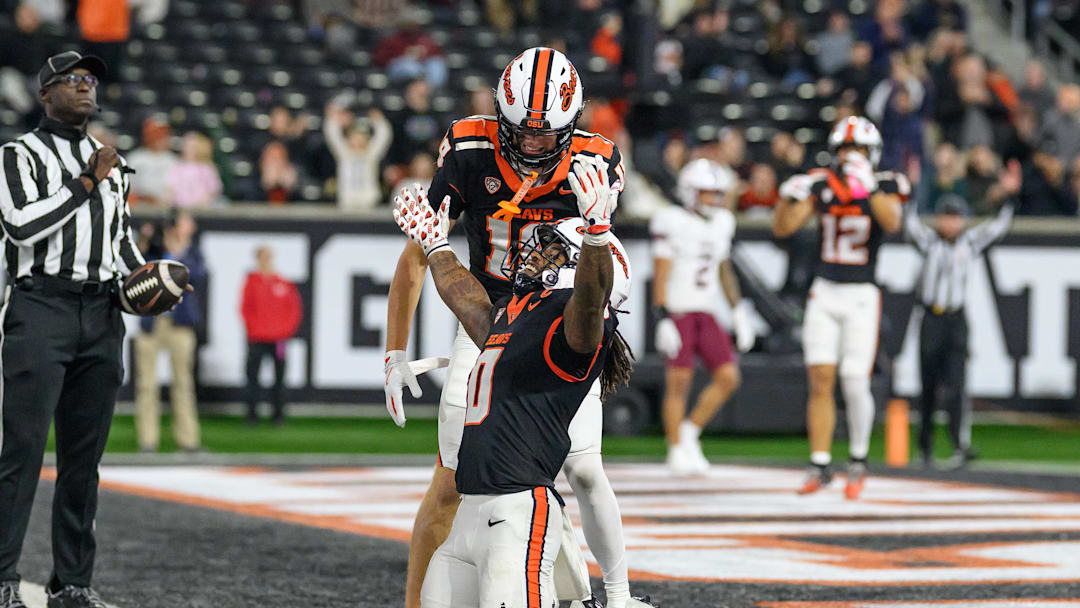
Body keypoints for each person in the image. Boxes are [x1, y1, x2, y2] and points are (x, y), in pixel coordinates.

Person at [384, 48, 647, 608]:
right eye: (520, 134)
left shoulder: (594, 159)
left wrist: (595, 232)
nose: (531, 146)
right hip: (487, 313)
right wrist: (393, 350)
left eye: (544, 136)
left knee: (581, 466)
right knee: (455, 477)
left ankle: (617, 596)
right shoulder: (469, 147)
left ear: (571, 125)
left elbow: (597, 275)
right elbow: (420, 254)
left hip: (557, 318)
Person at [0, 51, 146, 608]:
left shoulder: (112, 161)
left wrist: (148, 277)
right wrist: (88, 180)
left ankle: (73, 583)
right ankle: (4, 577)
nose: (85, 87)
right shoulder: (18, 155)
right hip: (42, 309)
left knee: (84, 462)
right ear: (45, 94)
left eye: (90, 80)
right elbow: (20, 226)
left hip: (102, 313)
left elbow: (120, 241)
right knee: (23, 451)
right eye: (72, 80)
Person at [773, 116, 905, 500]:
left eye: (859, 150)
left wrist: (868, 189)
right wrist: (786, 197)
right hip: (826, 289)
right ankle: (819, 463)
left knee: (853, 379)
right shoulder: (822, 184)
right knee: (820, 379)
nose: (851, 156)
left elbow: (893, 222)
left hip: (862, 292)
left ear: (872, 153)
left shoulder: (886, 183)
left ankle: (859, 461)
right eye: (846, 149)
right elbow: (784, 227)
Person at [905, 166, 1019, 469]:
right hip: (931, 318)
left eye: (956, 217)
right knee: (928, 385)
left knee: (957, 384)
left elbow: (998, 226)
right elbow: (909, 221)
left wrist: (1007, 195)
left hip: (956, 320)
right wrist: (914, 188)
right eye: (946, 216)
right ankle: (925, 448)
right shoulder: (929, 242)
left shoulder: (969, 243)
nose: (951, 223)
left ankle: (959, 444)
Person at [651, 159, 753, 476]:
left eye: (717, 194)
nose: (714, 200)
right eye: (708, 193)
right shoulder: (671, 220)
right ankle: (675, 447)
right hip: (679, 311)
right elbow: (661, 273)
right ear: (690, 192)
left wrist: (737, 310)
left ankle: (690, 432)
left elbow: (723, 267)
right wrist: (663, 315)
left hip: (706, 310)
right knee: (679, 383)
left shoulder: (722, 221)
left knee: (728, 377)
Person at [133, 210, 206, 453]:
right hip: (152, 322)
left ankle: (188, 441)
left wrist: (178, 252)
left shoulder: (192, 251)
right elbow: (136, 270)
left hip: (179, 323)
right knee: (146, 384)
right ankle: (147, 441)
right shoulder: (154, 248)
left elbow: (198, 276)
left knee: (183, 383)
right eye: (185, 221)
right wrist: (144, 242)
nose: (189, 225)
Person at [240, 246, 302, 425]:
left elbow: (293, 310)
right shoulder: (251, 282)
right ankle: (252, 415)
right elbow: (245, 308)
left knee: (280, 379)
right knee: (252, 378)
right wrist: (253, 330)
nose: (266, 260)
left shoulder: (283, 283)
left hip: (278, 340)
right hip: (257, 338)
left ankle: (278, 415)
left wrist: (285, 331)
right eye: (263, 257)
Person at [323, 101, 392, 210]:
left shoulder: (371, 154)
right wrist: (333, 118)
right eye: (355, 136)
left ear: (367, 139)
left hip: (369, 202)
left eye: (361, 137)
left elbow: (384, 137)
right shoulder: (344, 154)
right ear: (349, 138)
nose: (358, 140)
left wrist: (379, 121)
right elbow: (332, 135)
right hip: (346, 201)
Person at [125, 116, 178, 207]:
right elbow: (128, 187)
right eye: (157, 136)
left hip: (167, 207)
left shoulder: (173, 160)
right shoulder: (135, 158)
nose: (161, 140)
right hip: (139, 206)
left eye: (164, 136)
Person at [166, 131, 222, 207]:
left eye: (192, 147)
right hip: (180, 206)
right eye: (186, 146)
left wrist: (204, 201)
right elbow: (171, 186)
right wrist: (169, 199)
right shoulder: (179, 167)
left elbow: (214, 189)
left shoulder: (206, 168)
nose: (187, 149)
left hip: (201, 207)